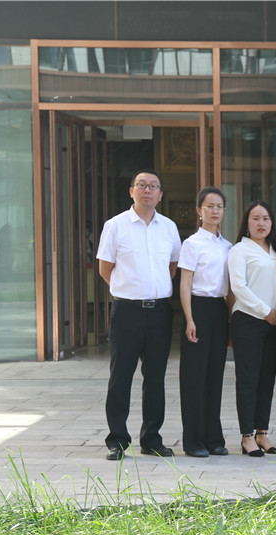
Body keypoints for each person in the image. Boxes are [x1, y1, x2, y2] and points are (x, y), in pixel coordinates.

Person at [96, 169, 181, 460]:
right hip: (127, 312)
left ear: (160, 194)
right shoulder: (115, 226)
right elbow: (105, 268)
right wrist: (129, 289)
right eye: (141, 185)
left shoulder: (168, 227)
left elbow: (172, 266)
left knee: (155, 378)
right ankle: (117, 441)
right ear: (131, 191)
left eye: (153, 186)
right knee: (120, 376)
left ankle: (151, 439)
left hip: (159, 312)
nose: (147, 190)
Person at [177, 187, 234, 458]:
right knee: (194, 378)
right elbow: (185, 284)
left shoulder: (228, 246)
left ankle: (214, 439)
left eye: (219, 206)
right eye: (209, 206)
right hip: (197, 309)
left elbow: (230, 288)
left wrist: (231, 317)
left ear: (224, 211)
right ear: (199, 211)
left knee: (214, 377)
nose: (214, 211)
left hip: (219, 310)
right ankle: (193, 441)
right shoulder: (191, 244)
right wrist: (189, 319)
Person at [228, 201, 276, 457]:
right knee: (248, 380)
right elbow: (238, 286)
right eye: (255, 218)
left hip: (275, 323)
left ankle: (262, 433)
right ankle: (247, 436)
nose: (261, 223)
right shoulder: (239, 250)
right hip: (249, 321)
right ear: (246, 223)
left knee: (266, 380)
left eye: (266, 218)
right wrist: (265, 311)